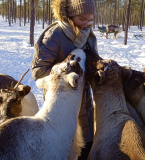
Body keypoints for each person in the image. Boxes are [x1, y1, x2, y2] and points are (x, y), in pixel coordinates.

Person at [31, 0, 98, 159]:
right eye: (82, 19)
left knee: (86, 143)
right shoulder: (54, 36)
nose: (86, 24)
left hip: (83, 100)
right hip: (60, 105)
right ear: (69, 14)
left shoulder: (87, 33)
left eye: (90, 19)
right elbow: (39, 73)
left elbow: (91, 59)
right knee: (63, 146)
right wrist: (64, 72)